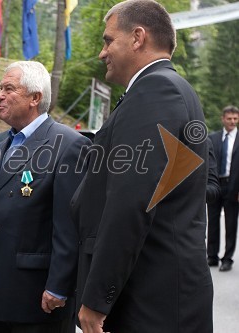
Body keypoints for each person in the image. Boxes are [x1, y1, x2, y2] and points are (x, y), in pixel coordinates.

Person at [71, 1, 213, 332]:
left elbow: (131, 202)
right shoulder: (170, 88)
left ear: (137, 37)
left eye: (108, 40)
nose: (102, 53)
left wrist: (96, 299)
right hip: (160, 294)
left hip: (149, 299)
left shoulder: (155, 89)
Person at [0, 61, 91, 333]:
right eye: (0, 88)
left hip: (37, 297)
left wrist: (59, 286)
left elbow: (69, 227)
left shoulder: (69, 145)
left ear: (35, 98)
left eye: (9, 89)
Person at [207, 105, 239, 272]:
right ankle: (211, 256)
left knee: (231, 223)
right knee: (212, 222)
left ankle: (227, 258)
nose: (232, 121)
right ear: (223, 119)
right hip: (215, 185)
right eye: (229, 118)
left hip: (233, 186)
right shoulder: (213, 138)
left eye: (235, 118)